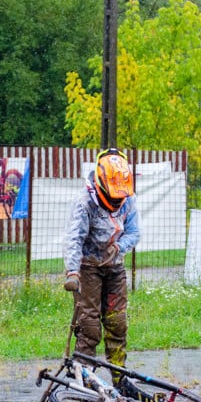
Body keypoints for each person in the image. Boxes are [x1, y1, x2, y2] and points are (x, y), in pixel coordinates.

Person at [63, 148, 140, 378]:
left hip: (114, 266)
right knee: (89, 325)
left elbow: (134, 232)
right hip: (87, 267)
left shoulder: (128, 199)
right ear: (101, 183)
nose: (116, 201)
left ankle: (119, 376)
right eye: (113, 196)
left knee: (117, 322)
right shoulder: (85, 202)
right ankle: (83, 375)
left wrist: (118, 247)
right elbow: (74, 238)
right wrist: (72, 272)